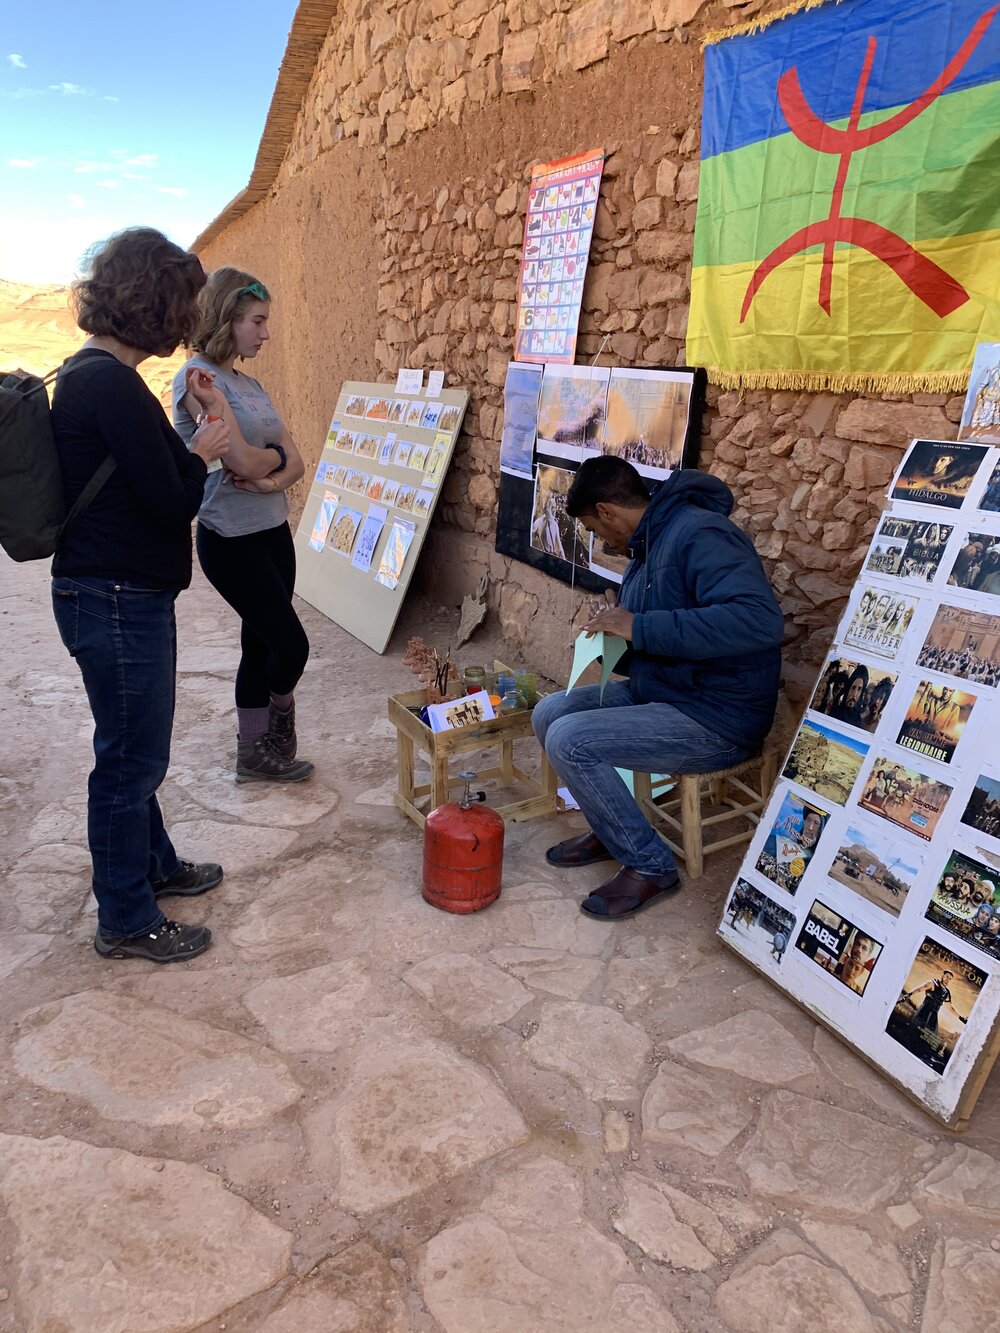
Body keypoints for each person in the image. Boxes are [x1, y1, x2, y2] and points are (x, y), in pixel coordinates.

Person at [50, 227, 231, 963]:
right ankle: (125, 915)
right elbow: (169, 497)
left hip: (112, 593)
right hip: (117, 597)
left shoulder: (91, 374)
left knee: (134, 747)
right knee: (129, 759)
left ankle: (156, 865)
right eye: (181, 302)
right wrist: (202, 451)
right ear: (154, 303)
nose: (186, 317)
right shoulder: (111, 385)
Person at [533, 457, 784, 920]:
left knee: (572, 740)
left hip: (715, 715)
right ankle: (614, 829)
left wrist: (640, 624)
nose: (603, 541)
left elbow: (758, 621)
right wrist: (615, 629)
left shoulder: (701, 534)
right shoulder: (648, 545)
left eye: (597, 529)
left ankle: (649, 865)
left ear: (607, 511)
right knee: (549, 712)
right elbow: (655, 633)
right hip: (668, 689)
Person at [173, 268, 314, 783]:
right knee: (291, 645)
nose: (265, 333)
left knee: (259, 644)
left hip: (273, 529)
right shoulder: (197, 378)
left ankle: (251, 754)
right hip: (230, 538)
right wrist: (271, 464)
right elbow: (245, 462)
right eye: (256, 321)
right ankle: (278, 723)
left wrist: (274, 476)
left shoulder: (249, 384)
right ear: (226, 318)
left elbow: (295, 462)